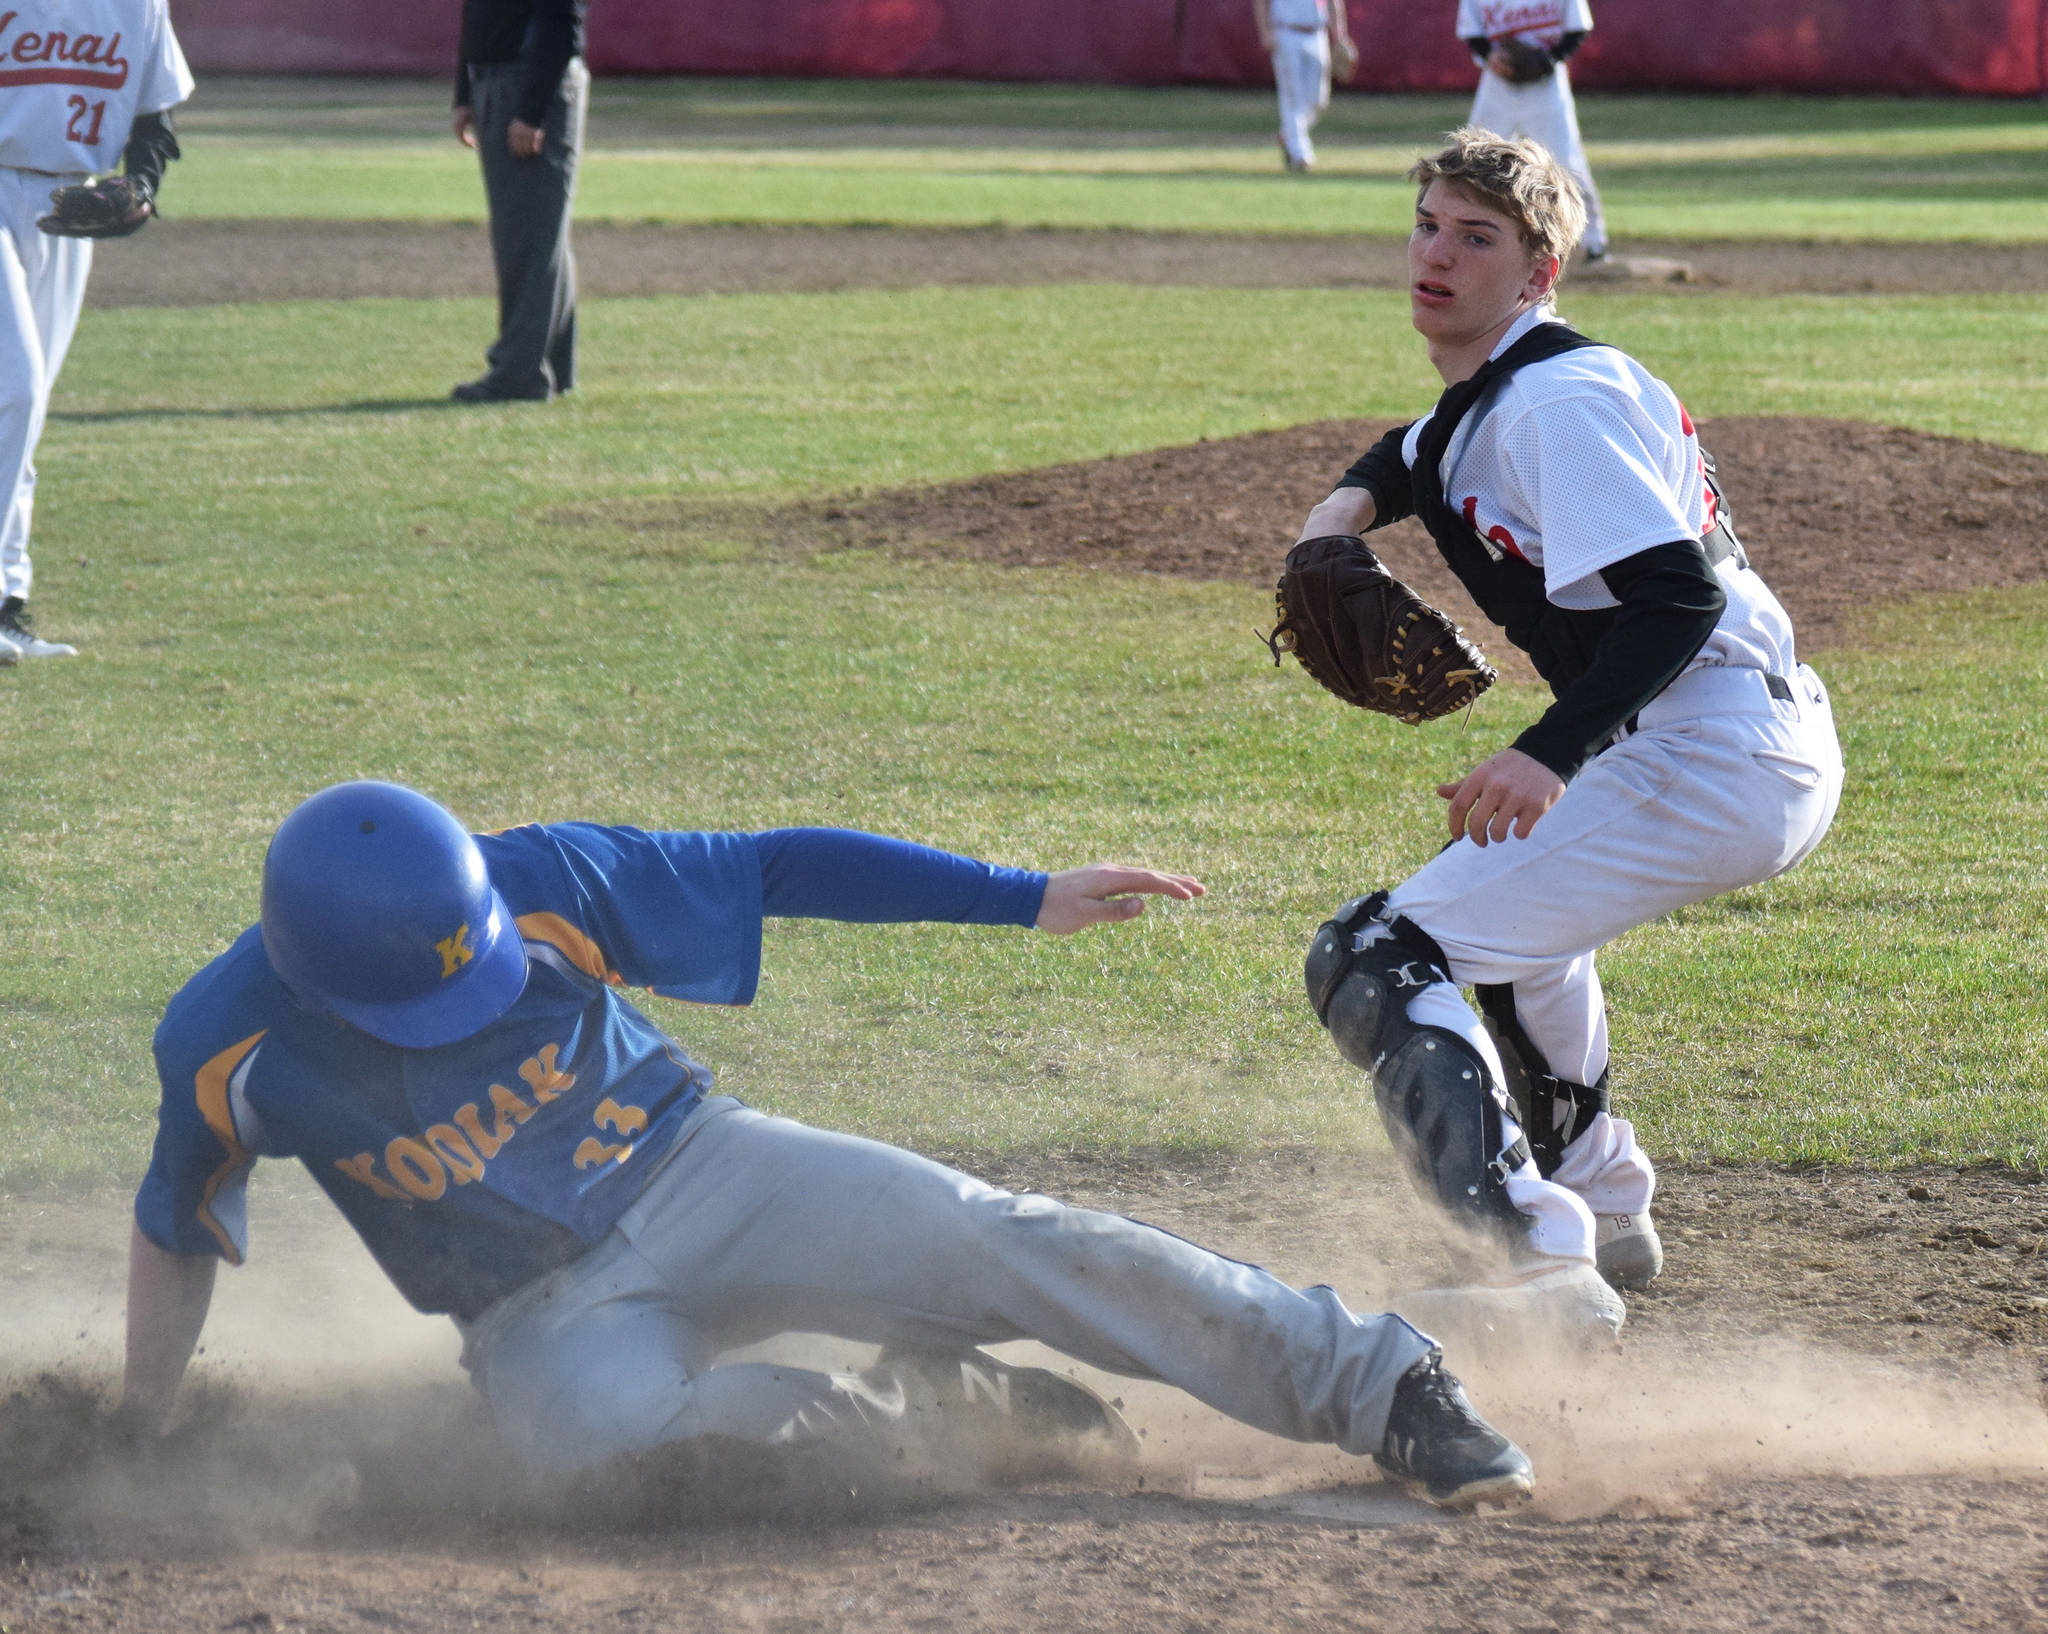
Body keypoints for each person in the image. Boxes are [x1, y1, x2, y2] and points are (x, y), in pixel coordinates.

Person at [119, 780, 1536, 1512]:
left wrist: (1022, 894)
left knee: (1008, 1238)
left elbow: (774, 863)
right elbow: (176, 1228)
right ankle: (942, 1408)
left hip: (705, 1167)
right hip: (539, 1315)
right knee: (629, 1471)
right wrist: (137, 1420)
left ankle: (1380, 1382)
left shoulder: (539, 879)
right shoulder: (229, 1045)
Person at [1291, 130, 1842, 1340]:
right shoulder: (1504, 389)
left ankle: (1536, 1261)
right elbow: (1415, 448)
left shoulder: (1554, 403)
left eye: (1474, 238)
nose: (1436, 255)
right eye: (1427, 225)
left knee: (1375, 954)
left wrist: (1547, 749)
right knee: (1511, 935)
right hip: (1723, 736)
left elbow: (1676, 597)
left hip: (1711, 744)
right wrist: (1343, 509)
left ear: (1540, 270)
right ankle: (1596, 1200)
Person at [0, 0, 191, 660]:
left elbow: (153, 119)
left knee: (28, 410)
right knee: (15, 389)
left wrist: (138, 186)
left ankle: (8, 604)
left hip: (65, 208)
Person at [450, 0, 587, 403]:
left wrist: (532, 111)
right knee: (539, 232)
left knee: (528, 235)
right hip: (497, 81)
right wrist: (465, 91)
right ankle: (550, 367)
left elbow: (562, 21)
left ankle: (520, 374)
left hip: (527, 84)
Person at [1456, 0, 1608, 262]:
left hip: (1546, 88)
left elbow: (1578, 29)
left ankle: (1593, 242)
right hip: (1497, 86)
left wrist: (1549, 59)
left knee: (1567, 163)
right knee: (1474, 159)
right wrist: (1490, 56)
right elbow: (1472, 32)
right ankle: (1463, 236)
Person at [1253, 0, 1358, 174]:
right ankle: (1300, 155)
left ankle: (1288, 135)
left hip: (1316, 33)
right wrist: (1265, 31)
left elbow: (1333, 2)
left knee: (1319, 99)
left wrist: (1340, 35)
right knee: (1292, 95)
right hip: (1286, 31)